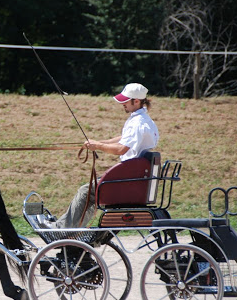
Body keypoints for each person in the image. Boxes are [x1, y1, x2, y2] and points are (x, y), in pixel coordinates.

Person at [48, 82, 159, 228]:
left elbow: (121, 149)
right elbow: (123, 138)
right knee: (89, 190)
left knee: (85, 192)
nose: (123, 104)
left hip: (128, 180)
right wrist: (98, 142)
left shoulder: (137, 123)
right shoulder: (145, 121)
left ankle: (63, 228)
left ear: (136, 101)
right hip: (134, 178)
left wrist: (98, 146)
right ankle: (72, 226)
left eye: (125, 101)